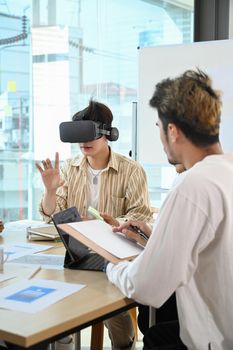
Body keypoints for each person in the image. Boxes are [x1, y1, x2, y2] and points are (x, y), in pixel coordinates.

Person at [106, 69, 233, 349]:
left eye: (159, 129)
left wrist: (112, 265)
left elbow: (147, 286)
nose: (161, 138)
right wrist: (155, 235)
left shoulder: (193, 184)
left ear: (173, 131)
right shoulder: (226, 170)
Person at [36, 100, 153, 350]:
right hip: (76, 254)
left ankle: (125, 345)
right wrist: (49, 190)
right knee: (50, 295)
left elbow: (141, 215)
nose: (83, 143)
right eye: (78, 136)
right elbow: (50, 215)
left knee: (112, 307)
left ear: (108, 133)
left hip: (115, 256)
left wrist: (116, 223)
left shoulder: (132, 170)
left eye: (88, 134)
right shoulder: (69, 168)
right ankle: (63, 339)